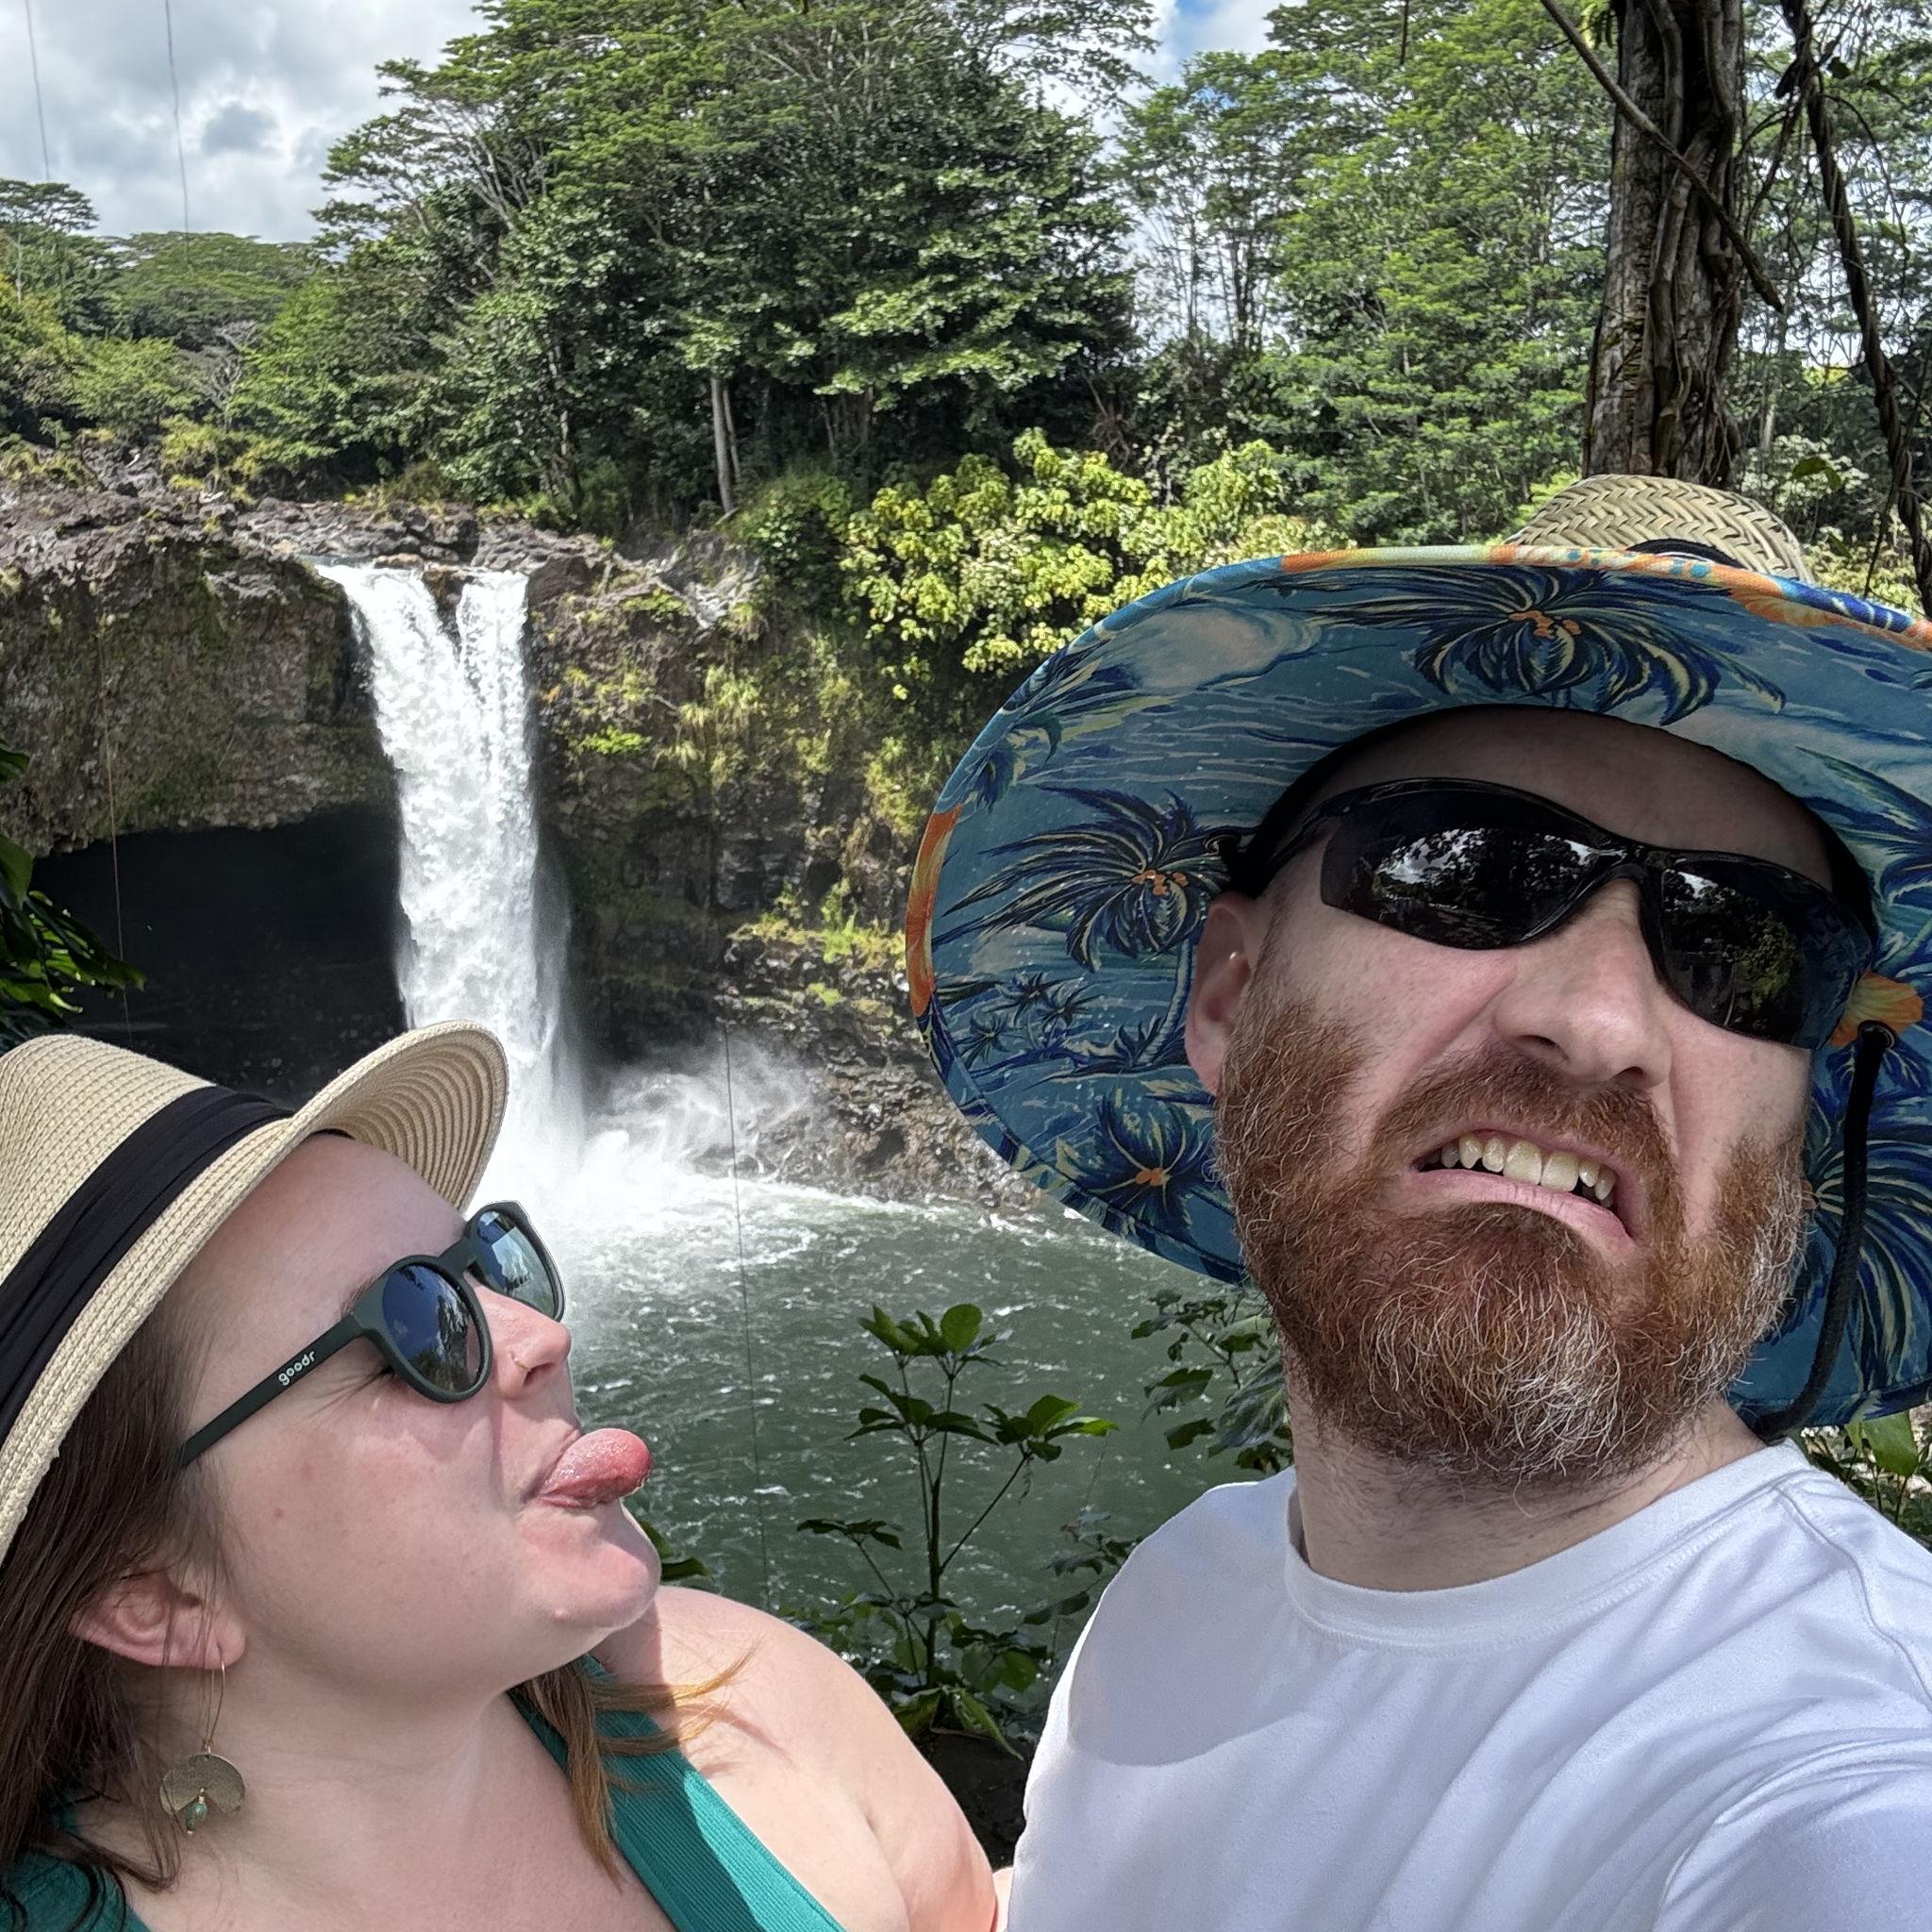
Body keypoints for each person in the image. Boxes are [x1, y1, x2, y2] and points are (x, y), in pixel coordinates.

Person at [906, 474, 1932, 1927]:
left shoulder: (1853, 1787)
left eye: (1748, 948)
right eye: (1467, 870)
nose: (1598, 1021)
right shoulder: (1181, 1597)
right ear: (1230, 994)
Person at [0, 1023, 997, 1932]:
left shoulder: (750, 1698)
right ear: (151, 1594)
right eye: (416, 1323)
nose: (541, 1337)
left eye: (484, 1264)